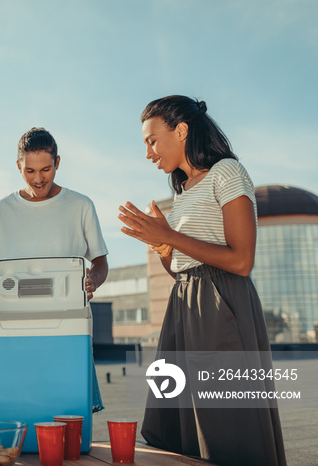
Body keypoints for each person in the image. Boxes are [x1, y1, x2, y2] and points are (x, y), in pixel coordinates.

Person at [118, 95, 286, 465]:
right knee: (178, 420)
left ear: (181, 131)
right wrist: (162, 244)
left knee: (226, 423)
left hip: (220, 304)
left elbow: (241, 260)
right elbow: (180, 266)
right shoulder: (183, 191)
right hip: (185, 304)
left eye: (151, 140)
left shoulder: (227, 173)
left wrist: (171, 236)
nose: (148, 153)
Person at [0, 127, 109, 412]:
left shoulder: (81, 205)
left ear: (57, 163)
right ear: (18, 166)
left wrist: (92, 281)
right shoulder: (1, 209)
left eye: (46, 169)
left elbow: (100, 261)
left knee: (68, 408)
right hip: (13, 324)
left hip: (69, 323)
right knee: (20, 405)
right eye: (29, 170)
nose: (38, 179)